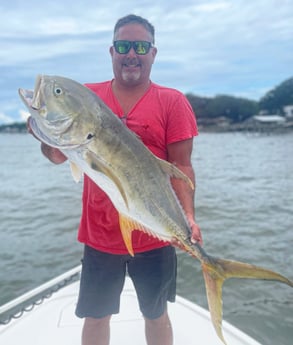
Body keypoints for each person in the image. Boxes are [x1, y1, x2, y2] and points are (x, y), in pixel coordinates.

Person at [29, 14, 202, 345]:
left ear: (153, 53)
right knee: (95, 316)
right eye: (124, 46)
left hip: (155, 234)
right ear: (112, 52)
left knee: (156, 313)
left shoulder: (172, 102)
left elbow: (182, 167)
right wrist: (44, 133)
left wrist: (188, 217)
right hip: (100, 236)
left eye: (141, 46)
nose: (132, 54)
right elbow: (57, 155)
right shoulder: (86, 98)